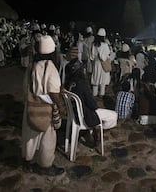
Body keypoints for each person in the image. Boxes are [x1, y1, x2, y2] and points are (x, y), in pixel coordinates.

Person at [22, 35, 65, 176]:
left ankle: (27, 161)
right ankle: (45, 166)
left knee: (30, 135)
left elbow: (25, 87)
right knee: (48, 138)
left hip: (31, 105)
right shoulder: (50, 67)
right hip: (45, 108)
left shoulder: (31, 65)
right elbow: (53, 92)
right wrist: (60, 106)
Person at [65, 58, 117, 142]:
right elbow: (92, 105)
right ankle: (99, 131)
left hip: (74, 114)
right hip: (86, 114)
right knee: (114, 116)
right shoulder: (82, 84)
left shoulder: (68, 83)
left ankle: (95, 130)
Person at [90, 28, 112, 98]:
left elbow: (92, 56)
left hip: (96, 63)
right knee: (103, 80)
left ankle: (94, 94)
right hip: (103, 64)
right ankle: (101, 95)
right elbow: (106, 56)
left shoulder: (94, 44)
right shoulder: (105, 45)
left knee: (95, 79)